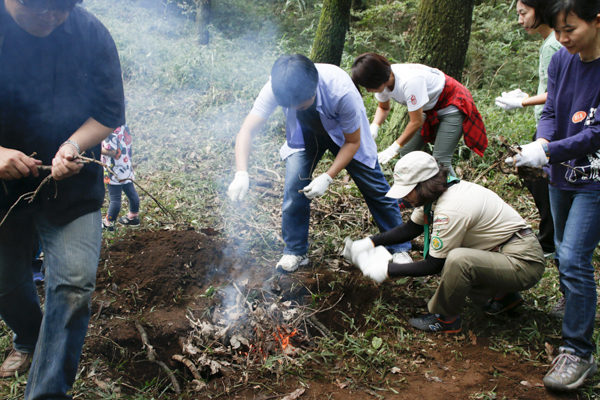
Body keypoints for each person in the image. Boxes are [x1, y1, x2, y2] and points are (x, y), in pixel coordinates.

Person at [0, 1, 125, 398]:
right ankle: (31, 336)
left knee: (73, 285)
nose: (51, 20)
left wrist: (73, 145)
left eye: (61, 10)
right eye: (39, 11)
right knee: (4, 281)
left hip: (69, 184)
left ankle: (48, 392)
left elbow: (108, 112)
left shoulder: (90, 34)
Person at [227, 54, 412, 272]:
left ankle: (399, 247)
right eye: (290, 106)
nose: (295, 107)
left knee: (375, 186)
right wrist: (241, 173)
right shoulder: (277, 87)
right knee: (294, 187)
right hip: (304, 133)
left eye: (301, 104)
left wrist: (328, 176)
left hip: (345, 134)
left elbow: (352, 142)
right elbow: (247, 130)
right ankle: (295, 251)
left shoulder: (341, 92)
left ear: (314, 89)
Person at [344, 151, 545, 334]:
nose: (404, 196)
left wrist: (386, 270)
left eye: (408, 190)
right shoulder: (439, 194)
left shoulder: (450, 209)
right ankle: (504, 296)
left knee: (457, 259)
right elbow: (411, 228)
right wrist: (370, 242)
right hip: (507, 250)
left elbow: (434, 264)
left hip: (523, 262)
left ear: (423, 185)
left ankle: (446, 319)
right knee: (458, 253)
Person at [509, 0, 600, 391]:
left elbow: (597, 133)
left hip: (596, 178)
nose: (563, 39)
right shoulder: (563, 59)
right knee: (563, 249)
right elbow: (552, 109)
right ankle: (573, 304)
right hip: (562, 173)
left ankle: (578, 350)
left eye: (571, 29)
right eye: (558, 30)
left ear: (597, 20)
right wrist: (543, 141)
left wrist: (549, 151)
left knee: (574, 256)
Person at [495, 0, 562, 258]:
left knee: (542, 182)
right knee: (539, 181)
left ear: (541, 9)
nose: (520, 20)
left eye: (524, 13)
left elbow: (558, 92)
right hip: (547, 123)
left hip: (553, 125)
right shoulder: (549, 42)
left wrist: (522, 102)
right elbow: (549, 87)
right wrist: (527, 94)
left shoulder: (554, 43)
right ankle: (550, 239)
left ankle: (549, 243)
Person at [351, 53, 488, 176]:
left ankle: (457, 196)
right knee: (407, 152)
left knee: (441, 162)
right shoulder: (382, 83)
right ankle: (421, 192)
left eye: (368, 86)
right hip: (429, 109)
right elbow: (384, 108)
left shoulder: (410, 81)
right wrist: (375, 125)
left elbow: (416, 122)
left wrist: (393, 148)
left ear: (376, 78)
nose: (368, 91)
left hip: (451, 105)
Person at [101, 124, 140, 231]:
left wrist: (96, 149)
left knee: (115, 199)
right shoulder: (123, 125)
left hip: (114, 170)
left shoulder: (109, 130)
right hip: (125, 166)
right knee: (131, 192)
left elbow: (112, 152)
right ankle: (133, 216)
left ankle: (108, 223)